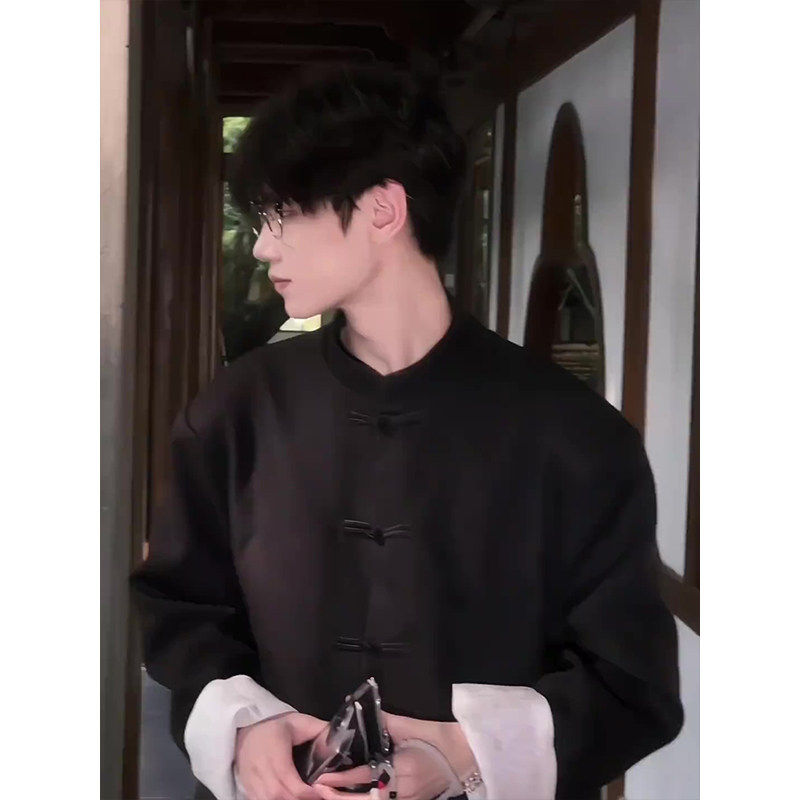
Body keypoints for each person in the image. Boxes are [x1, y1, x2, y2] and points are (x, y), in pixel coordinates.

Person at [129, 63, 683, 800]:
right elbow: (181, 611)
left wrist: (462, 754)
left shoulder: (575, 435)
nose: (262, 247)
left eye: (282, 214)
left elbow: (630, 682)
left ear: (383, 210)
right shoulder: (235, 410)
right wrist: (248, 729)